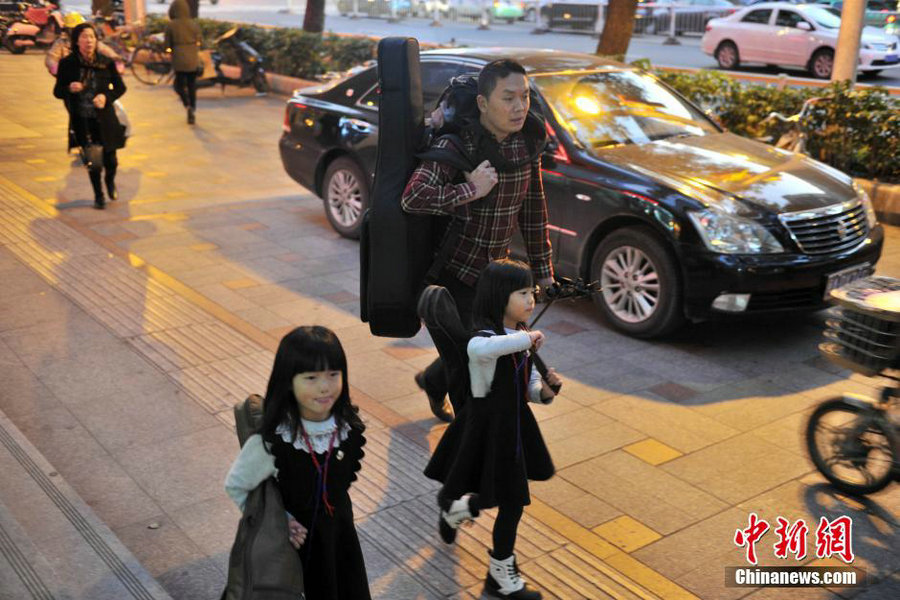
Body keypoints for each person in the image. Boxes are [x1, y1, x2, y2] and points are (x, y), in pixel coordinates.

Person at [402, 59, 554, 423]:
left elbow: (533, 210)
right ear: (484, 103)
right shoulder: (457, 145)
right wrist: (470, 189)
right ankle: (470, 448)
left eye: (525, 97)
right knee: (475, 363)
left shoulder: (526, 145)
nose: (520, 107)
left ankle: (432, 380)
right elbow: (412, 197)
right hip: (452, 274)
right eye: (508, 98)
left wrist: (543, 271)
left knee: (481, 349)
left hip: (495, 276)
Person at [424, 259, 560, 600]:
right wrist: (527, 339)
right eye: (523, 293)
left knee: (508, 498)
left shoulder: (518, 338)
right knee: (509, 498)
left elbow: (528, 385)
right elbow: (482, 350)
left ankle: (459, 512)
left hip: (514, 425)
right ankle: (500, 573)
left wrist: (545, 392)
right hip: (488, 429)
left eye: (533, 291)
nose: (531, 300)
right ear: (499, 296)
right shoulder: (483, 339)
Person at [224, 326, 371, 600]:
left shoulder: (347, 428)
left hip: (340, 539)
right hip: (296, 546)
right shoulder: (275, 440)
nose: (325, 386)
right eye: (311, 377)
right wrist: (282, 521)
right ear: (288, 381)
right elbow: (236, 484)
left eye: (333, 374)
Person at [54, 22, 126, 209]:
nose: (89, 41)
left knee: (111, 160)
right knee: (94, 162)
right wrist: (69, 88)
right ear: (77, 41)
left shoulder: (105, 62)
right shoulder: (67, 64)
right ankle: (99, 195)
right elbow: (57, 91)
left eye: (92, 37)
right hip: (84, 120)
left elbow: (120, 87)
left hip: (105, 118)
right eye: (84, 37)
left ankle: (110, 181)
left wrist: (105, 96)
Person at [46, 13, 121, 77]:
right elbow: (51, 57)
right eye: (73, 29)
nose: (76, 31)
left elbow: (105, 50)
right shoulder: (61, 43)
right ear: (67, 30)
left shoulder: (90, 40)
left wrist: (116, 59)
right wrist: (54, 66)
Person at [164, 0, 202, 125]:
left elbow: (167, 45)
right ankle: (193, 107)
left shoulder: (171, 25)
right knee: (192, 85)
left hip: (179, 59)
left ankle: (187, 105)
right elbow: (200, 41)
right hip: (193, 58)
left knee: (178, 85)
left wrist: (169, 50)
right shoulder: (193, 24)